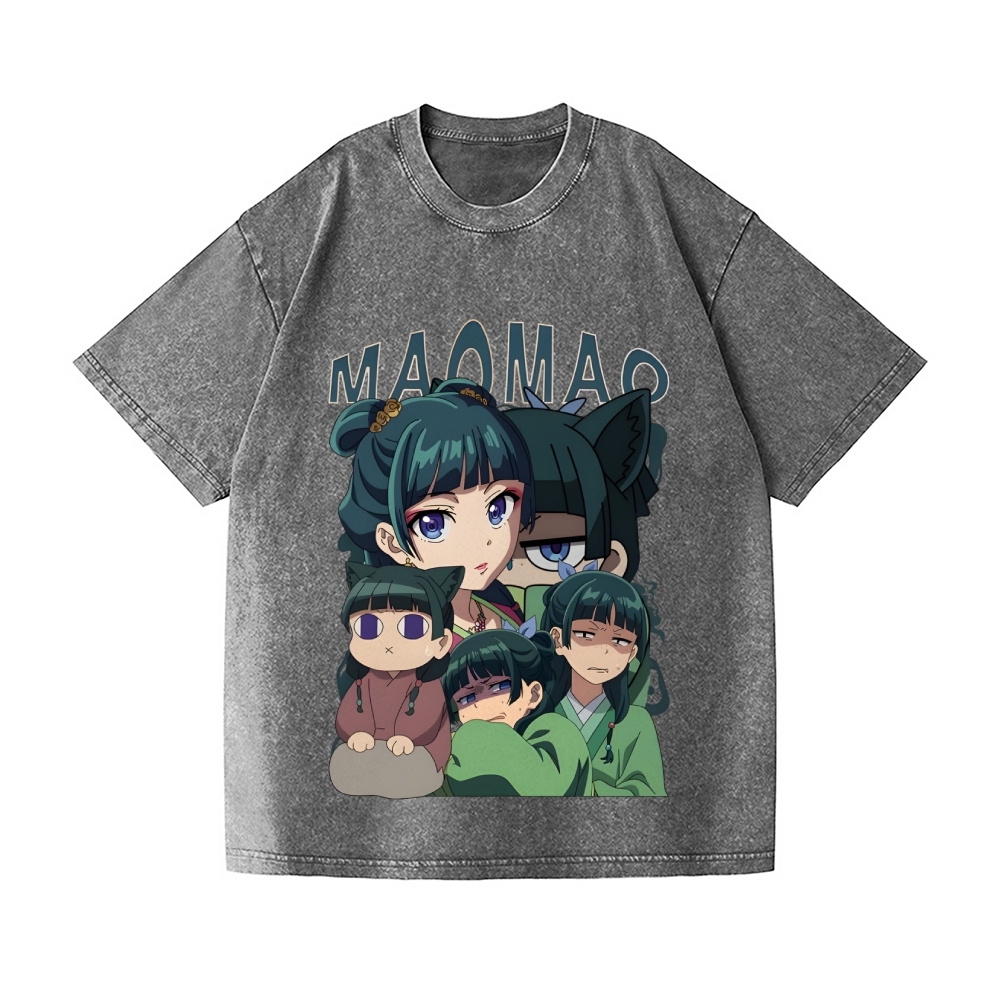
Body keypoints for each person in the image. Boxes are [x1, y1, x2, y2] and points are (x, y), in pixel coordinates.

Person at [331, 378, 532, 642]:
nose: (481, 539)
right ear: (392, 542)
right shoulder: (409, 638)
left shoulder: (502, 605)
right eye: (435, 523)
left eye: (498, 508)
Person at [330, 562, 463, 798]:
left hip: (418, 751)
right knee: (342, 760)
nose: (388, 642)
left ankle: (390, 779)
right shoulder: (364, 680)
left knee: (412, 765)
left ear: (441, 643)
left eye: (412, 627)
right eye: (368, 626)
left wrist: (407, 738)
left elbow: (427, 720)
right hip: (374, 750)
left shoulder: (428, 683)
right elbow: (350, 712)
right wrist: (357, 733)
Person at [541, 571, 667, 796]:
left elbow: (648, 793)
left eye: (619, 640)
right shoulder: (535, 716)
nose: (603, 651)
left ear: (631, 653)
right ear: (558, 640)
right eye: (586, 635)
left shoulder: (636, 723)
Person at [437, 624, 592, 796]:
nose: (481, 705)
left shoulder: (558, 732)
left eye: (498, 687)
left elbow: (545, 785)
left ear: (533, 694)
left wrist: (468, 736)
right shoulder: (455, 752)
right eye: (467, 698)